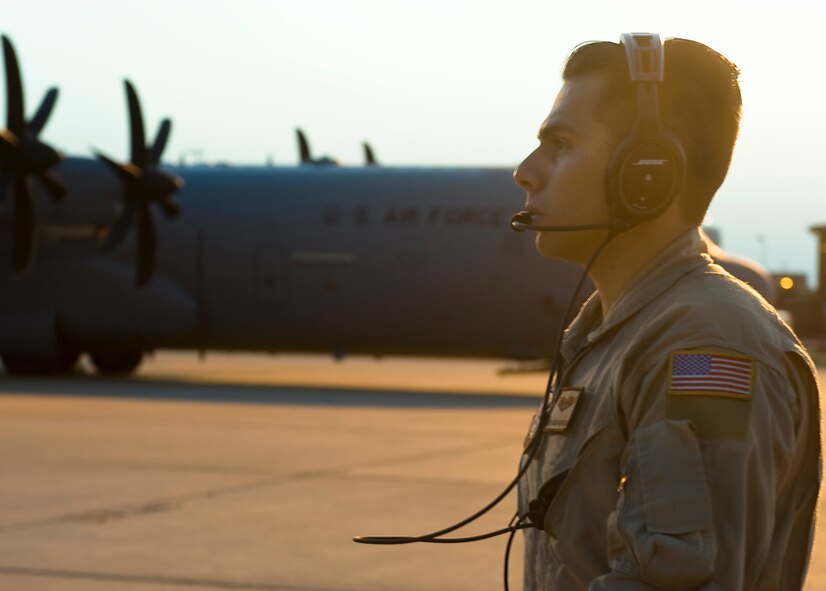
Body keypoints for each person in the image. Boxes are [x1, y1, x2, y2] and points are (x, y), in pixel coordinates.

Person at [511, 34, 820, 590]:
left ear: (646, 174)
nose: (525, 172)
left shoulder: (705, 346)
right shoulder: (618, 336)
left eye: (559, 143)